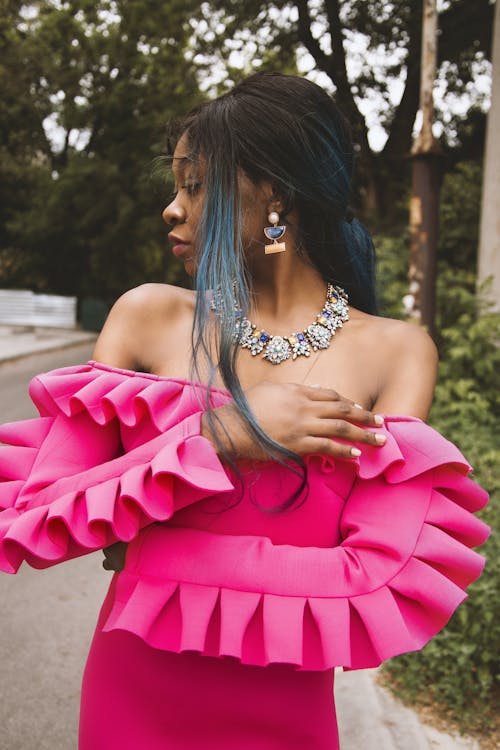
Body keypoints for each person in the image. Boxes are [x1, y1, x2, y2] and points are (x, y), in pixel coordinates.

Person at [0, 73, 489, 750]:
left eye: (196, 186)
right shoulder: (147, 316)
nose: (172, 209)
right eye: (176, 187)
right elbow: (37, 519)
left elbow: (373, 581)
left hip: (288, 716)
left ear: (276, 192)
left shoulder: (398, 352)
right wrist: (220, 435)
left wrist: (151, 550)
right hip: (136, 700)